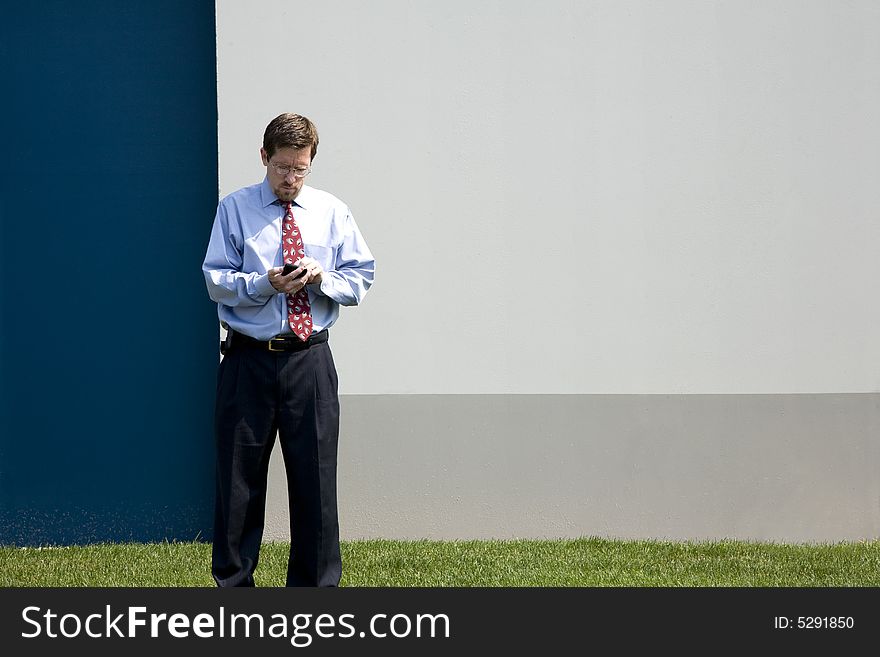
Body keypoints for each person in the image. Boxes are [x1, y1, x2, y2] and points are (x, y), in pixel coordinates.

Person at [202, 113, 374, 587]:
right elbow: (215, 280)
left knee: (315, 486)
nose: (290, 179)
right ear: (264, 158)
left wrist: (323, 279)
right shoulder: (234, 210)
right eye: (281, 167)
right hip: (247, 361)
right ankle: (235, 596)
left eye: (300, 169)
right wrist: (264, 283)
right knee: (238, 488)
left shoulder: (332, 212)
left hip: (309, 361)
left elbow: (361, 277)